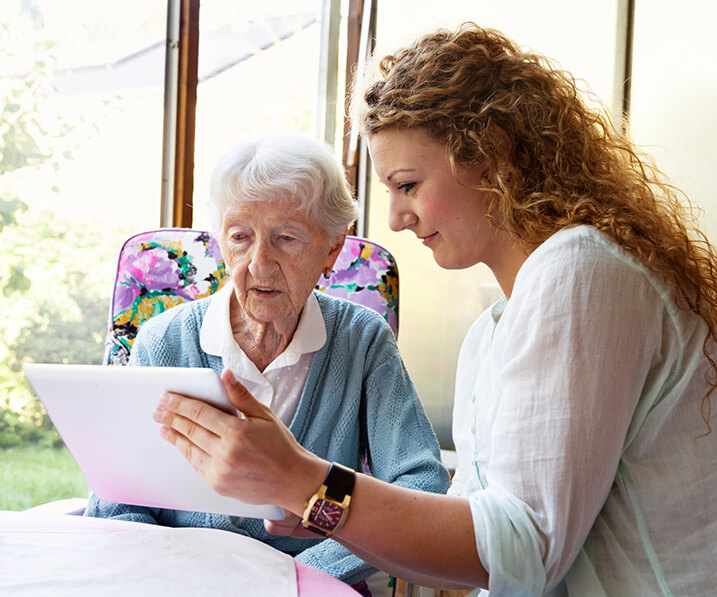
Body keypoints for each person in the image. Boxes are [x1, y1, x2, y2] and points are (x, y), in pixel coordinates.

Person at [150, 23, 717, 597]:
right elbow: (460, 556)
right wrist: (315, 502)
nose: (395, 219)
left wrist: (304, 480)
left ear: (489, 154)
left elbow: (525, 550)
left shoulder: (580, 270)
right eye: (240, 236)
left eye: (408, 184)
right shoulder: (492, 335)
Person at [84, 132, 450, 595]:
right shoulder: (164, 340)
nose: (259, 264)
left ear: (332, 250)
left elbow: (421, 484)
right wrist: (172, 576)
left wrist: (304, 574)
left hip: (311, 584)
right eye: (240, 237)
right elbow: (118, 496)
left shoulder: (362, 340)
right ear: (221, 241)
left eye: (286, 238)